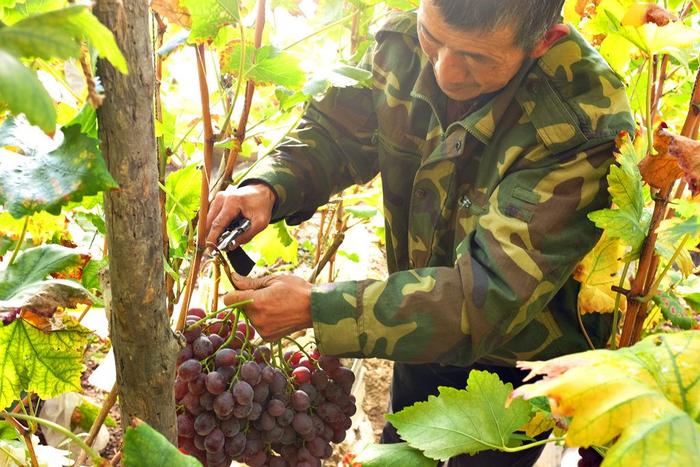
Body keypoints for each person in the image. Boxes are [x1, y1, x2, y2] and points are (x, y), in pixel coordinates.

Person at [206, 0, 634, 465]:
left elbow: (486, 299)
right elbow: (338, 131)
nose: (446, 71)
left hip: (517, 364)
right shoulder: (405, 42)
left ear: (543, 42)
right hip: (412, 325)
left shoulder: (581, 125)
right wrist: (269, 184)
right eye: (434, 38)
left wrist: (320, 307)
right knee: (404, 449)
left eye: (478, 58)